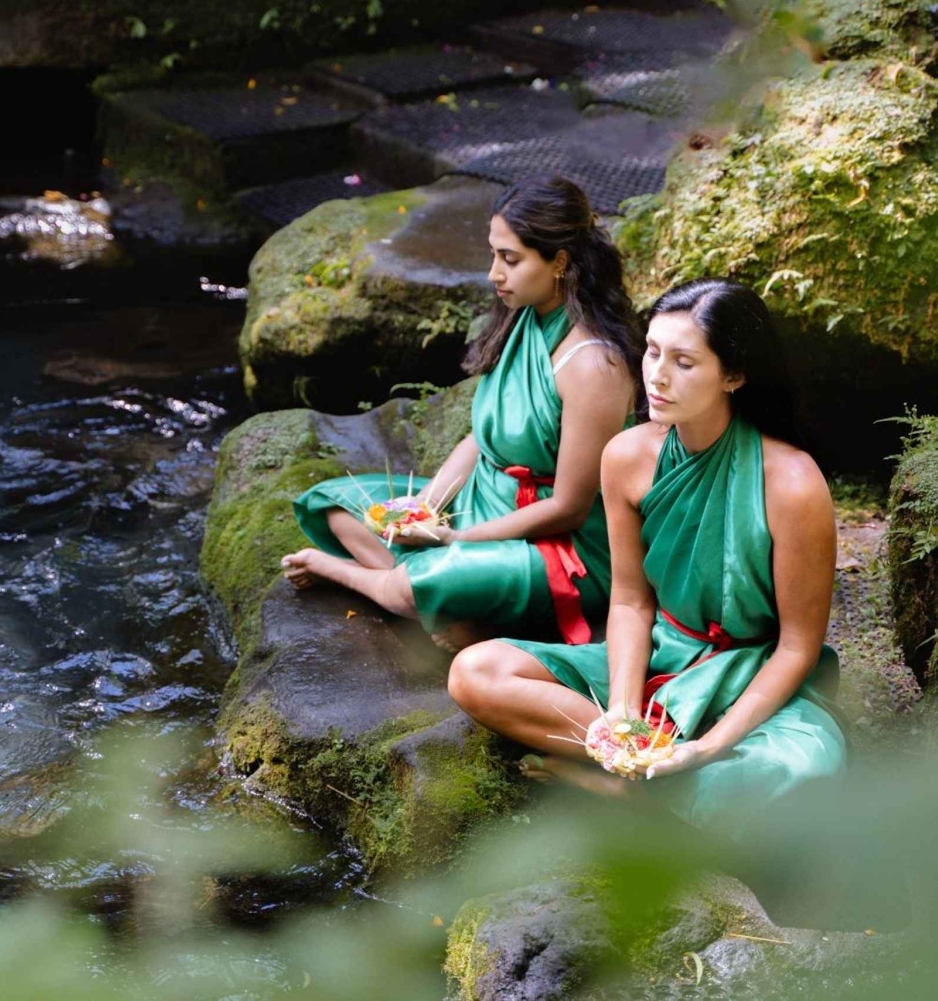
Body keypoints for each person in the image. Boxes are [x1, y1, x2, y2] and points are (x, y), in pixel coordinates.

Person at [448, 278, 845, 835]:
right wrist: (622, 711)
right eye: (652, 351)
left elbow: (797, 647)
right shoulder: (628, 456)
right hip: (660, 654)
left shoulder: (793, 483)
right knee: (475, 673)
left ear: (733, 375)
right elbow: (632, 602)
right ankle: (650, 769)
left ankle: (631, 784)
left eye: (684, 362)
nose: (656, 375)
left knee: (799, 774)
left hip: (751, 676)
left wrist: (709, 747)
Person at [280, 176, 640, 652]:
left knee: (416, 583)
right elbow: (481, 440)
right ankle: (461, 607)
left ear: (560, 262)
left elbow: (568, 509)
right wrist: (422, 509)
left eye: (510, 259)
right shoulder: (525, 317)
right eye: (493, 255)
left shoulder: (594, 365)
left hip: (560, 543)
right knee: (333, 506)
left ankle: (351, 575)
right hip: (484, 499)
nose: (494, 274)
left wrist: (458, 539)